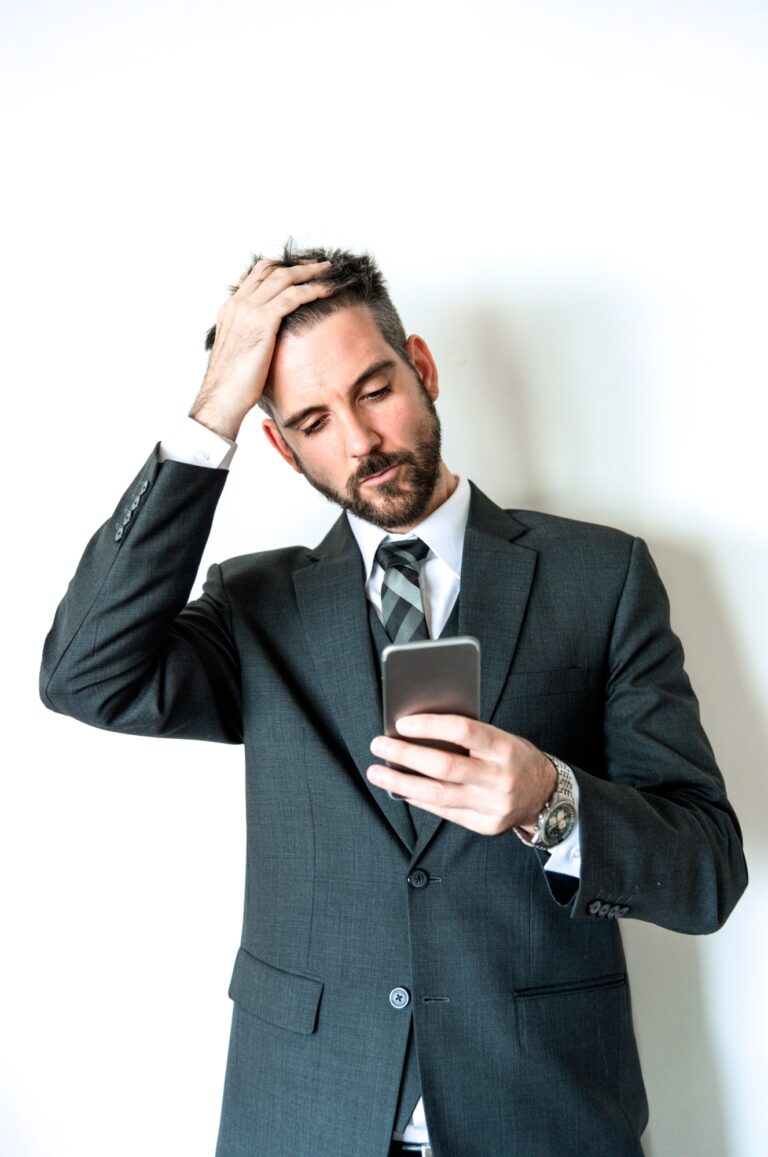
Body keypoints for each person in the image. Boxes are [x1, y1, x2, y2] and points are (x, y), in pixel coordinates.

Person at [40, 245, 748, 1157]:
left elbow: (708, 870)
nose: (360, 442)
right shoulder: (256, 607)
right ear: (278, 443)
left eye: (374, 390)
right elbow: (83, 674)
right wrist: (209, 411)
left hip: (541, 1113)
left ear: (422, 365)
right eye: (313, 419)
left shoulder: (601, 577)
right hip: (305, 1113)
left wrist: (548, 800)